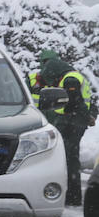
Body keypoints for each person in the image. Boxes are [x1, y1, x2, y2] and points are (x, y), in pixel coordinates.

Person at [38, 51, 96, 206]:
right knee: (70, 158)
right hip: (76, 122)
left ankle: (72, 196)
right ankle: (72, 195)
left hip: (72, 123)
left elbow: (75, 102)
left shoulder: (70, 79)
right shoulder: (73, 76)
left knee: (69, 159)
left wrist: (85, 117)